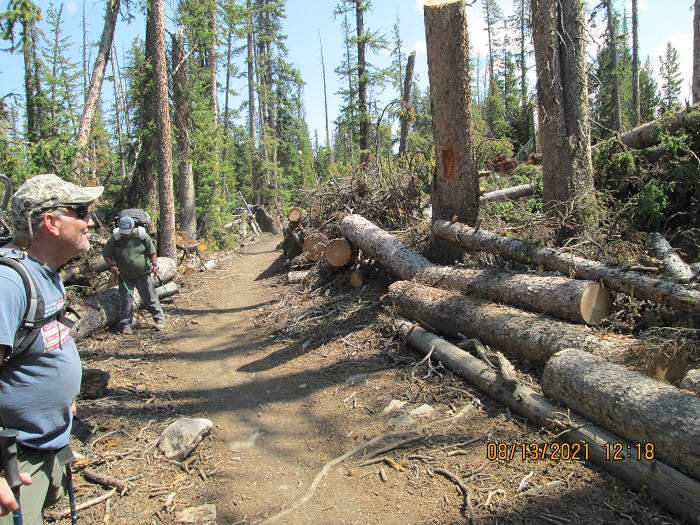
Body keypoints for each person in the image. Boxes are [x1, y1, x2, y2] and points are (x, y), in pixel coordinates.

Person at [0, 173, 103, 523]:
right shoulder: (8, 284)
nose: (89, 221)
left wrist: (64, 398)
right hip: (13, 464)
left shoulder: (46, 272)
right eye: (80, 210)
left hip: (46, 447)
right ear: (51, 222)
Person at [102, 215, 165, 334]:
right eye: (123, 232)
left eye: (127, 232)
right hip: (124, 276)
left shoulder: (141, 236)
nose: (125, 234)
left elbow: (152, 252)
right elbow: (106, 255)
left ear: (133, 228)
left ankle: (159, 319)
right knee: (126, 300)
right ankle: (126, 325)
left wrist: (154, 264)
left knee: (150, 296)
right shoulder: (116, 238)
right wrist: (112, 265)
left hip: (143, 273)